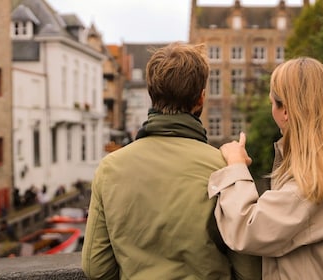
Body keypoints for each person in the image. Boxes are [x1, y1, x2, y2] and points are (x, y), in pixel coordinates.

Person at [81, 42, 261, 279]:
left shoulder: (110, 168)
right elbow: (249, 270)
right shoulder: (224, 168)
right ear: (200, 99)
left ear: (152, 95)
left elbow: (96, 268)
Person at [208, 57, 323, 280]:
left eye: (272, 102)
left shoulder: (308, 185)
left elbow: (247, 230)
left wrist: (235, 167)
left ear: (285, 110)